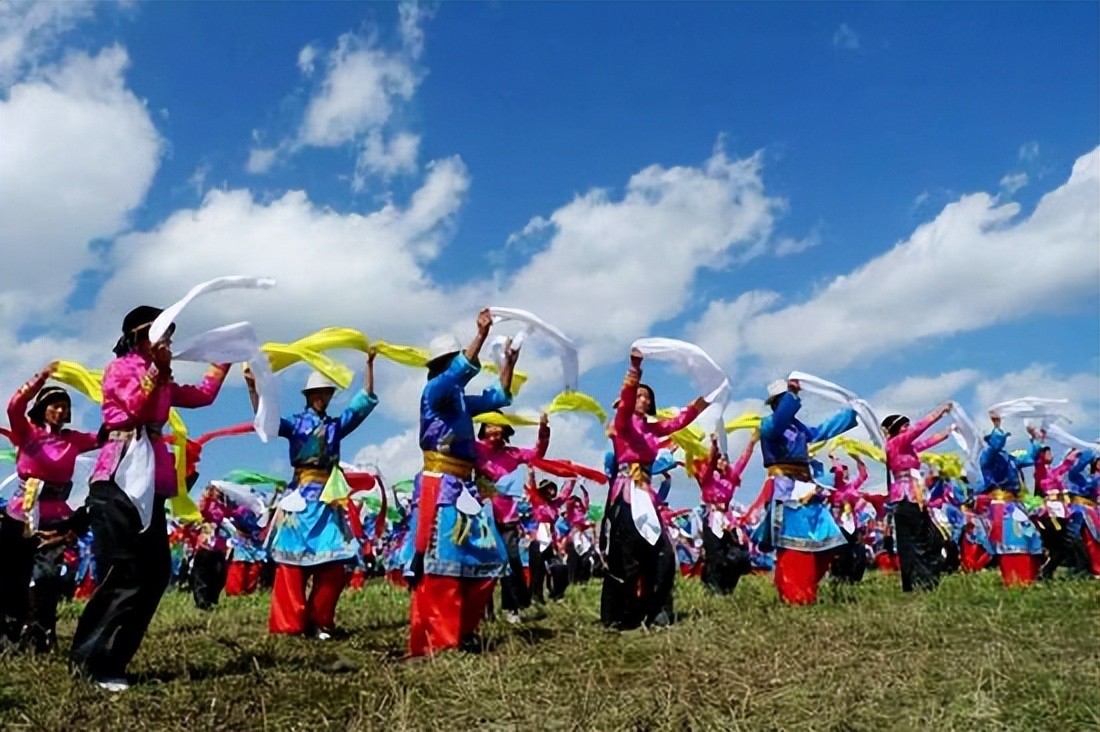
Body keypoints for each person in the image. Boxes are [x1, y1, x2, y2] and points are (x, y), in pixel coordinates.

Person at [70, 306, 230, 691]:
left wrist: (224, 361)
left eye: (169, 337)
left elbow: (203, 395)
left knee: (156, 572)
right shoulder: (120, 369)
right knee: (124, 571)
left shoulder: (164, 381)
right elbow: (133, 408)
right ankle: (91, 661)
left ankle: (115, 659)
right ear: (138, 337)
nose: (168, 343)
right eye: (161, 336)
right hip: (118, 481)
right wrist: (157, 371)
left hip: (152, 485)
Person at [405, 309, 517, 657]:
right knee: (444, 567)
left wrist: (508, 364)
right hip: (441, 489)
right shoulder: (434, 392)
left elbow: (498, 398)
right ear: (443, 366)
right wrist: (480, 336)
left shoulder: (460, 403)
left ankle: (465, 630)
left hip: (465, 490)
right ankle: (441, 641)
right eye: (453, 361)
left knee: (485, 562)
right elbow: (458, 374)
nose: (460, 366)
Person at [245, 351, 378, 638]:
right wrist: (253, 389)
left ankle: (321, 621)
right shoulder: (295, 424)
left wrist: (369, 366)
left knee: (334, 564)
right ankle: (289, 625)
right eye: (318, 393)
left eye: (326, 393)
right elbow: (267, 421)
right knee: (291, 565)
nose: (323, 397)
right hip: (300, 498)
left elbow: (362, 405)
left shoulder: (334, 426)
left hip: (328, 500)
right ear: (309, 396)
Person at [600, 348, 708, 629]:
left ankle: (657, 611)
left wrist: (702, 403)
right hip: (625, 492)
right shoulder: (622, 423)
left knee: (663, 553)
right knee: (627, 557)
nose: (644, 399)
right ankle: (622, 616)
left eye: (648, 397)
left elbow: (678, 422)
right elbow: (625, 403)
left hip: (645, 494)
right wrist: (635, 368)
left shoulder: (653, 429)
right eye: (640, 395)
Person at [1, 363, 99, 652]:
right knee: (14, 577)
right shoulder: (27, 432)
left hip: (56, 520)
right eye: (54, 405)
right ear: (42, 408)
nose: (59, 410)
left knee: (47, 578)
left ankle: (43, 633)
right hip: (21, 514)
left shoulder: (72, 440)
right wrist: (39, 378)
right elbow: (14, 407)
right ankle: (10, 634)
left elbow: (105, 437)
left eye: (64, 407)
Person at [756, 378, 858, 605]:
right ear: (776, 404)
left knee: (828, 538)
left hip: (806, 485)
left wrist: (851, 413)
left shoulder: (798, 428)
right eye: (783, 400)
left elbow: (821, 431)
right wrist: (792, 396)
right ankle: (795, 595)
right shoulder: (768, 425)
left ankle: (806, 586)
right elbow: (779, 422)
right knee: (795, 543)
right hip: (786, 490)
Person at [475, 412, 549, 622]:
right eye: (489, 425)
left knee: (511, 559)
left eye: (498, 425)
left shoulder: (513, 454)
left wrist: (543, 430)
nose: (493, 430)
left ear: (505, 430)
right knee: (483, 563)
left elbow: (537, 454)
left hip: (507, 517)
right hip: (481, 517)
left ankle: (512, 607)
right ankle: (484, 610)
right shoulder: (474, 448)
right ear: (483, 428)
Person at [881, 403, 953, 592]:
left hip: (914, 497)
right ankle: (920, 581)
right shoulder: (895, 443)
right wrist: (939, 412)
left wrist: (948, 431)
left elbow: (926, 443)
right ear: (896, 429)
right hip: (906, 497)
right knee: (916, 541)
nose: (909, 428)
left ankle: (919, 580)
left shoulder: (907, 448)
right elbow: (918, 430)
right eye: (905, 426)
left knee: (922, 539)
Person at [976, 415, 1044, 587]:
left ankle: (1028, 577)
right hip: (1001, 507)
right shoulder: (986, 457)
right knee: (1011, 539)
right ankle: (1014, 579)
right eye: (998, 439)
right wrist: (996, 425)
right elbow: (994, 446)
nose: (1002, 442)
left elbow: (1029, 458)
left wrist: (1035, 439)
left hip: (1014, 505)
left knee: (1029, 535)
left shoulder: (1010, 459)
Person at [694, 432, 756, 594]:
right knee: (715, 557)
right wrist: (714, 446)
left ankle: (728, 587)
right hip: (712, 521)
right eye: (720, 459)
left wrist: (751, 442)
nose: (722, 462)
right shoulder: (708, 478)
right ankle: (713, 588)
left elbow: (743, 460)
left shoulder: (731, 479)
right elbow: (709, 464)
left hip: (728, 521)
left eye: (725, 459)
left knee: (736, 555)